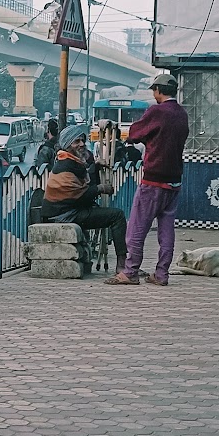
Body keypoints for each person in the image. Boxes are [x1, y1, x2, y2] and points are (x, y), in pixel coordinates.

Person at [107, 74, 189, 288]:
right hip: (174, 181)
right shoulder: (181, 114)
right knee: (166, 231)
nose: (153, 94)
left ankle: (130, 271)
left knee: (137, 228)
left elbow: (135, 133)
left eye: (154, 90)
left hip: (153, 180)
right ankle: (161, 274)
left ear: (158, 90)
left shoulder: (157, 111)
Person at [40, 122, 127, 269]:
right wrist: (100, 188)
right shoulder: (66, 164)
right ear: (67, 145)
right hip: (65, 215)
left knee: (111, 214)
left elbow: (84, 184)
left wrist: (96, 167)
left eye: (82, 140)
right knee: (117, 216)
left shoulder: (71, 161)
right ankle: (122, 265)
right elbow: (78, 195)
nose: (81, 144)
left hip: (67, 211)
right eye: (76, 141)